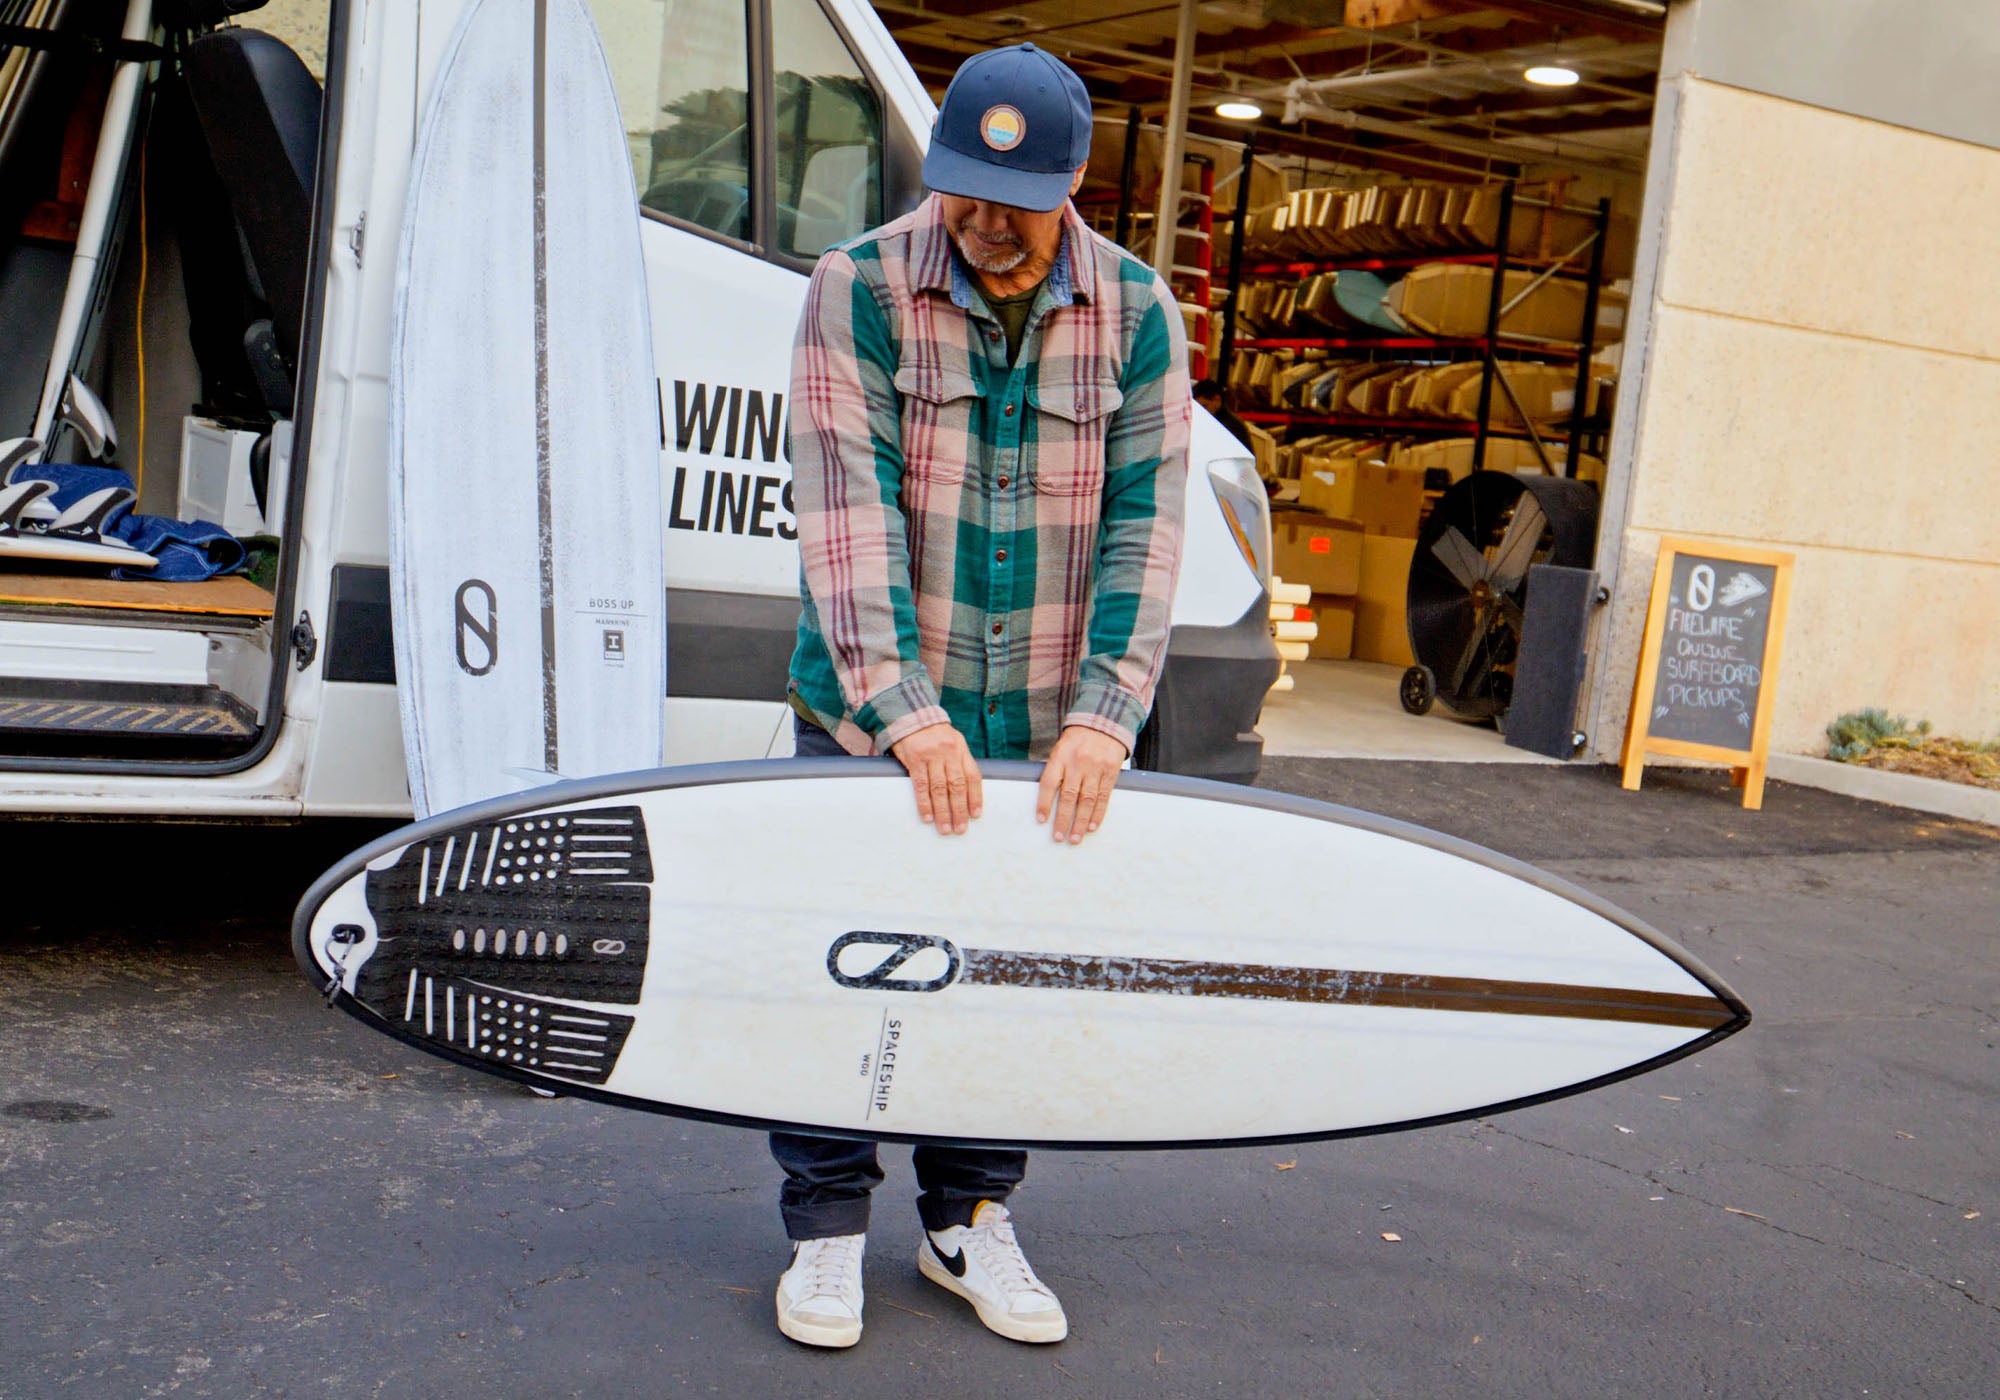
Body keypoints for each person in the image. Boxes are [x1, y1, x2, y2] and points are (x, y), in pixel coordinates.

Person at [773, 42, 1192, 1349]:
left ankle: (967, 1218)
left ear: (1071, 186)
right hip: (868, 714)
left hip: (1037, 721)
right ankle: (826, 1226)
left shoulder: (1138, 313)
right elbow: (844, 513)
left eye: (1015, 202)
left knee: (1006, 976)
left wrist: (1106, 715)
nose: (982, 221)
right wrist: (906, 714)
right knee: (850, 964)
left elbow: (1147, 525)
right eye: (963, 188)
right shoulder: (856, 288)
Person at [1192, 377, 1252, 453]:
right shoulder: (1227, 422)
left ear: (1217, 399)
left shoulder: (1230, 426)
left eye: (1204, 406)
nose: (1201, 412)